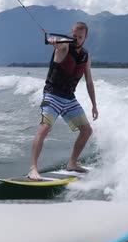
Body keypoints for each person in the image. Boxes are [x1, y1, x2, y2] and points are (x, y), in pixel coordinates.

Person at [28, 21, 98, 180]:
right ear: (71, 34)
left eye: (80, 37)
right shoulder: (64, 46)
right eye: (74, 36)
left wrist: (94, 105)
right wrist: (53, 42)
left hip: (69, 98)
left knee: (87, 131)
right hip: (51, 95)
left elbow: (89, 81)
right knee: (44, 128)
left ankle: (72, 163)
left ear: (85, 37)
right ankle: (33, 168)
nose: (76, 39)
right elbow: (59, 45)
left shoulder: (86, 56)